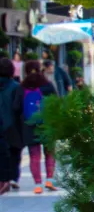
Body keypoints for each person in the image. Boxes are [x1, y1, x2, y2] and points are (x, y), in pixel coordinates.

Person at [20, 61, 56, 194]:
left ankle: (37, 185)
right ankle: (50, 180)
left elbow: (17, 107)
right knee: (49, 152)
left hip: (30, 125)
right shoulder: (47, 85)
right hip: (47, 123)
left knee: (34, 156)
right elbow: (56, 103)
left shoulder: (22, 87)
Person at [0, 59, 22, 195]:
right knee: (14, 153)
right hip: (13, 126)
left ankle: (3, 178)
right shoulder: (16, 87)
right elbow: (19, 108)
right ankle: (13, 177)